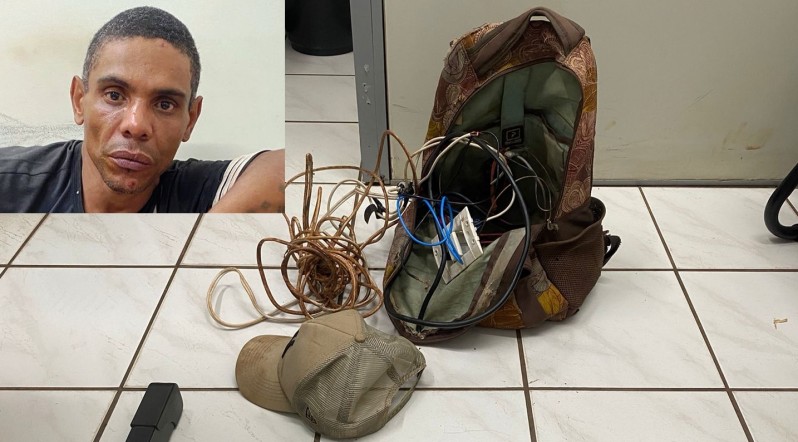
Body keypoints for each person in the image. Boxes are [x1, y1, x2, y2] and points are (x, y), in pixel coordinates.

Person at [0, 6, 285, 213]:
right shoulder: (14, 183)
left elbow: (283, 168)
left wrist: (203, 237)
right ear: (79, 100)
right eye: (114, 95)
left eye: (164, 104)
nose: (136, 126)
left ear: (190, 120)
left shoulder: (193, 193)